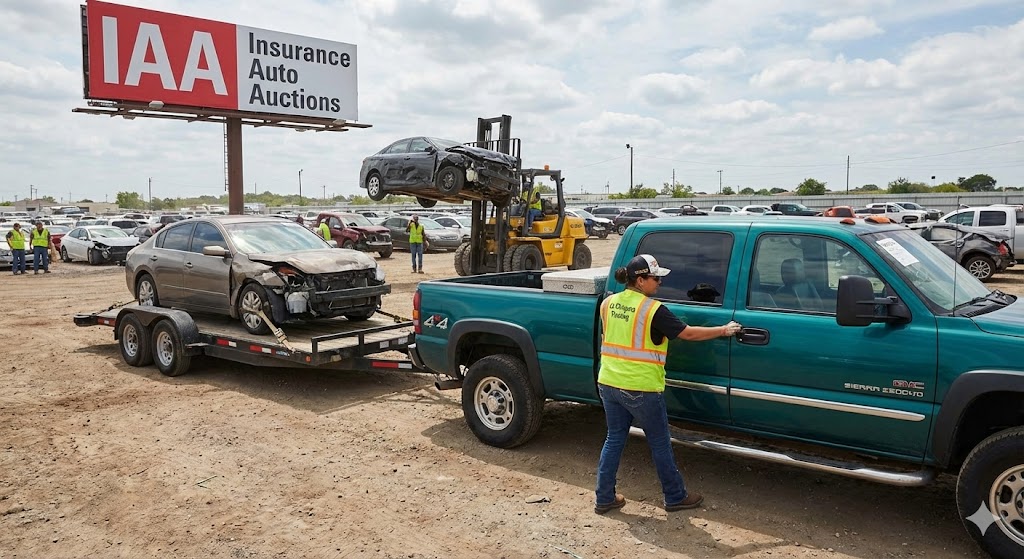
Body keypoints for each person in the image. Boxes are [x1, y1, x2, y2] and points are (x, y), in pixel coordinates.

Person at [594, 254, 741, 515]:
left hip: (608, 383)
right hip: (641, 387)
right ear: (640, 281)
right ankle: (675, 497)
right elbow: (687, 333)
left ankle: (604, 498)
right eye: (655, 278)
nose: (660, 282)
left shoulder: (608, 303)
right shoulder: (652, 309)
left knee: (614, 438)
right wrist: (723, 330)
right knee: (660, 442)